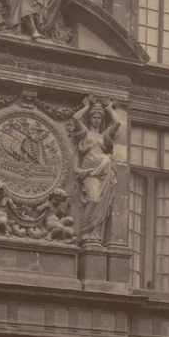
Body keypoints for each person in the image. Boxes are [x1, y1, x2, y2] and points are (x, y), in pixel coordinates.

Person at [71, 96, 121, 244]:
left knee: (99, 202)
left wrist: (110, 108)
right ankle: (86, 232)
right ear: (90, 118)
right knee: (92, 199)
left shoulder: (104, 135)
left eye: (99, 117)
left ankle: (94, 235)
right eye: (94, 117)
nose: (97, 120)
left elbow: (118, 122)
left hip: (103, 171)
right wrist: (86, 106)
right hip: (89, 172)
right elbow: (75, 118)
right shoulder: (85, 132)